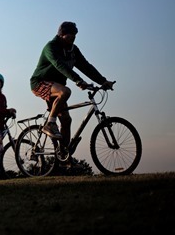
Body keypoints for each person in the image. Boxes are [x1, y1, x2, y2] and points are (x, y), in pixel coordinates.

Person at [30, 21, 115, 155]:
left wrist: (103, 81)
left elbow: (86, 67)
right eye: (70, 36)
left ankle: (64, 155)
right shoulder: (51, 47)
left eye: (75, 36)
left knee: (66, 120)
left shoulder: (73, 50)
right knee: (65, 91)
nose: (73, 39)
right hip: (40, 82)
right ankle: (50, 123)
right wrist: (78, 80)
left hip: (56, 87)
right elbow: (59, 65)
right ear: (61, 35)